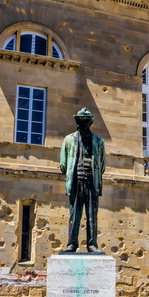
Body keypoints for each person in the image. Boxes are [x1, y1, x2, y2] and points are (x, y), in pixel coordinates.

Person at [60, 107, 105, 253]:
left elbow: (102, 165)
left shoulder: (98, 141)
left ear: (90, 123)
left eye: (84, 121)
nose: (80, 124)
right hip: (76, 182)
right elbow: (63, 164)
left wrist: (94, 175)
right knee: (75, 215)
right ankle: (72, 243)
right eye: (79, 121)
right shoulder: (69, 140)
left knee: (92, 216)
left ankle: (92, 244)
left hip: (92, 182)